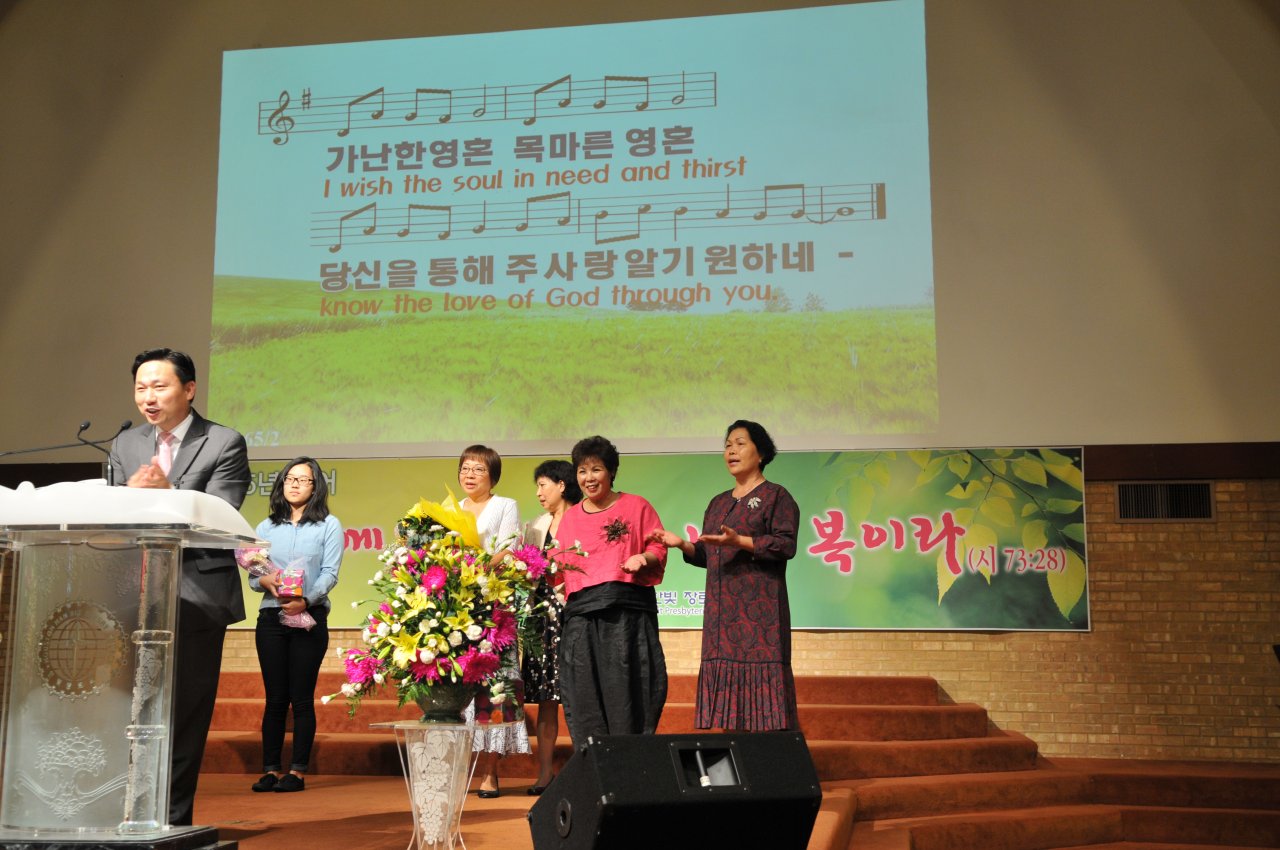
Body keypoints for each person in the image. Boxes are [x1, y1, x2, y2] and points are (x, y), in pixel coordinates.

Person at [107, 347, 250, 826]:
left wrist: (167, 494)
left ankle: (172, 819)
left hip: (196, 595)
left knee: (185, 712)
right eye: (141, 388)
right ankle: (127, 811)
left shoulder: (223, 442)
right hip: (132, 594)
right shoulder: (126, 443)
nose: (148, 397)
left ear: (188, 389)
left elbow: (223, 513)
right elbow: (111, 515)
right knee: (127, 711)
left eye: (159, 386)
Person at [649, 420, 800, 731]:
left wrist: (740, 541)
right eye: (728, 445)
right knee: (729, 717)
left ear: (761, 453)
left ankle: (767, 755)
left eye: (740, 443)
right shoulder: (718, 503)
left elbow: (785, 545)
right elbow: (709, 555)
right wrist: (683, 544)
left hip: (761, 617)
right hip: (722, 619)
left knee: (764, 717)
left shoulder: (776, 496)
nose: (731, 450)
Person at [554, 436, 668, 747]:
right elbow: (560, 568)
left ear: (612, 471)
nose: (588, 478)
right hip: (581, 617)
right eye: (582, 471)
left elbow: (657, 546)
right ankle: (596, 764)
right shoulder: (571, 518)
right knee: (584, 694)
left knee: (629, 693)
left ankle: (631, 761)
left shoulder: (637, 505)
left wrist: (642, 558)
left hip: (626, 614)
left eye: (596, 469)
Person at [248, 457, 343, 793]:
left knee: (301, 698)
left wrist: (307, 600)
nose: (294, 484)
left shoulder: (329, 525)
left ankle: (297, 771)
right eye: (289, 478)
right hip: (271, 617)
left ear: (316, 486)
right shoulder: (264, 528)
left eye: (303, 479)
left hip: (309, 617)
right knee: (275, 699)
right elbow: (253, 576)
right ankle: (271, 769)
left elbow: (330, 573)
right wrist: (265, 580)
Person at [455, 444, 529, 798]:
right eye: (465, 468)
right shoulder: (451, 511)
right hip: (459, 607)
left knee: (495, 688)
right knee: (461, 687)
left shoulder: (505, 505)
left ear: (493, 476)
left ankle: (490, 771)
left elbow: (509, 548)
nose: (470, 475)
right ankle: (460, 767)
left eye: (478, 469)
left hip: (494, 605)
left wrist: (478, 567)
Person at [520, 459, 581, 796]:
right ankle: (545, 774)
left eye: (543, 484)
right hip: (542, 619)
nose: (539, 492)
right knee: (546, 699)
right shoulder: (535, 527)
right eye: (537, 486)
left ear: (562, 485)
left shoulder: (584, 518)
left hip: (575, 616)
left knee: (579, 697)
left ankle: (587, 773)